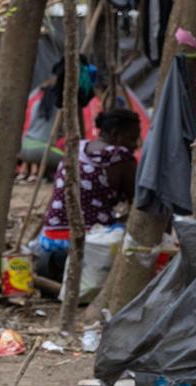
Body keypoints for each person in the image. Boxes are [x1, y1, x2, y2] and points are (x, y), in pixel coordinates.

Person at [35, 108, 142, 281]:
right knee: (134, 237)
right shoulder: (120, 157)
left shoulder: (77, 147)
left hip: (49, 238)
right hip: (88, 241)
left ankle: (58, 263)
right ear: (115, 134)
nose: (135, 145)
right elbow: (138, 201)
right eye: (132, 138)